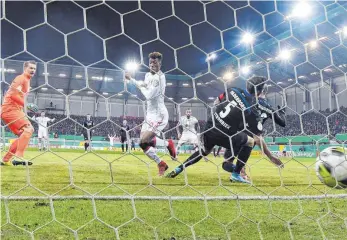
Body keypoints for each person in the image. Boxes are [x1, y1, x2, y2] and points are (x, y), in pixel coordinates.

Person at [166, 76, 285, 183]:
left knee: (204, 151)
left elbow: (217, 101)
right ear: (259, 92)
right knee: (249, 141)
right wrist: (270, 156)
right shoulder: (250, 109)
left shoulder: (233, 90)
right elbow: (257, 136)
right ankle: (236, 173)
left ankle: (179, 168)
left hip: (210, 127)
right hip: (224, 135)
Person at [125, 52, 176, 176]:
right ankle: (164, 155)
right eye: (151, 62)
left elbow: (148, 95)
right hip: (150, 114)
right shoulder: (148, 75)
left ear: (160, 64)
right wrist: (131, 79)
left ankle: (163, 158)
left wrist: (140, 86)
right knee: (143, 144)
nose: (152, 65)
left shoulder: (159, 78)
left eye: (155, 63)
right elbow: (143, 84)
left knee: (144, 140)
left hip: (159, 115)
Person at [1, 61, 39, 166]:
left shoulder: (27, 80)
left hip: (13, 109)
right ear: (25, 68)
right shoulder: (20, 78)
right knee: (29, 129)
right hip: (10, 109)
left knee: (23, 135)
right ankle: (19, 157)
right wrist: (26, 104)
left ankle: (5, 160)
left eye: (34, 69)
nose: (33, 70)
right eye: (31, 68)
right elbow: (13, 95)